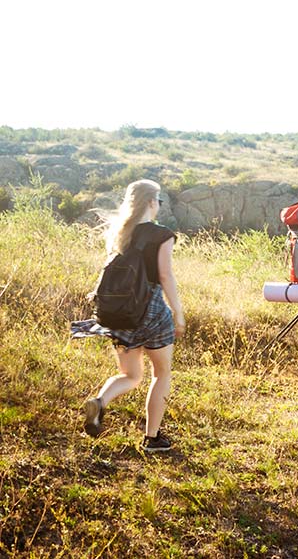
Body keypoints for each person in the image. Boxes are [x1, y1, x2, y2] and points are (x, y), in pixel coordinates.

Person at [73, 179, 185, 452]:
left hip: (121, 314)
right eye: (158, 200)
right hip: (153, 313)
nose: (159, 205)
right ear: (150, 201)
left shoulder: (119, 232)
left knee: (131, 375)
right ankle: (152, 439)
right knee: (162, 373)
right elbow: (165, 276)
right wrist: (179, 314)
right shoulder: (162, 235)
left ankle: (100, 402)